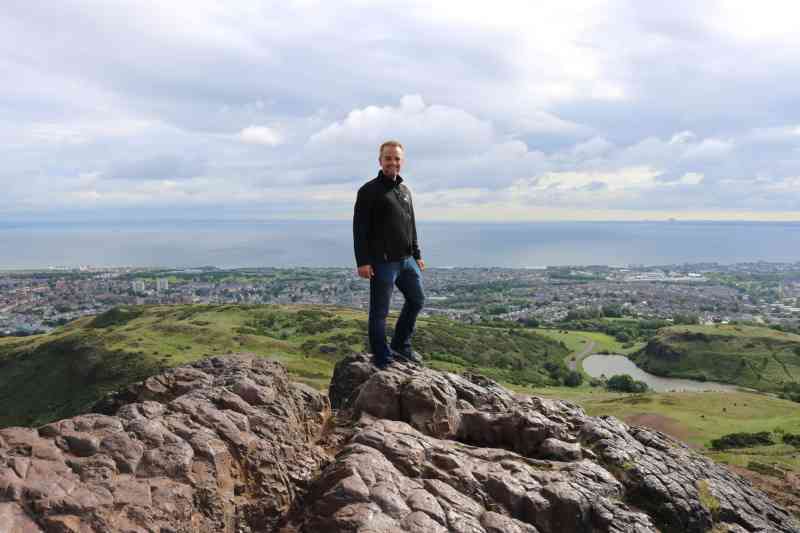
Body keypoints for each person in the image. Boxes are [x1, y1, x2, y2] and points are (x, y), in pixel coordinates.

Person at [353, 140, 425, 369]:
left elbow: (410, 224)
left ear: (401, 162)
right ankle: (382, 358)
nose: (392, 162)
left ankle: (401, 345)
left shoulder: (404, 191)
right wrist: (363, 262)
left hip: (406, 261)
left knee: (416, 300)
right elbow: (359, 229)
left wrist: (417, 253)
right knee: (380, 312)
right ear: (380, 160)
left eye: (396, 158)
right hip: (382, 262)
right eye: (388, 158)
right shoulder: (368, 191)